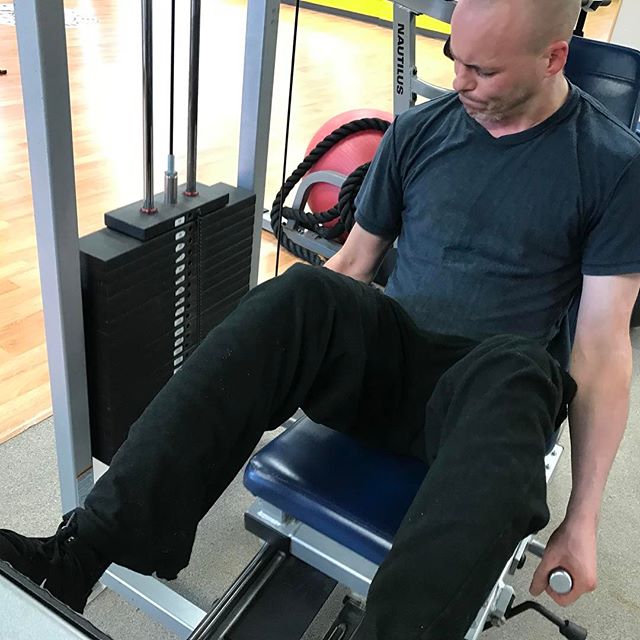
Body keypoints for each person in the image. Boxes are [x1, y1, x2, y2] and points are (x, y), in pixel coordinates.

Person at [2, 0, 640, 637]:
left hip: (485, 399)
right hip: (390, 366)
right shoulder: (419, 131)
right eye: (455, 58)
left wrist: (580, 520)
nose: (459, 81)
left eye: (484, 71)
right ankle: (78, 555)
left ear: (553, 58)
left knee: (527, 369)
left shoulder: (612, 166)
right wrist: (269, 358)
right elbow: (355, 260)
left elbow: (602, 349)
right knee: (301, 291)